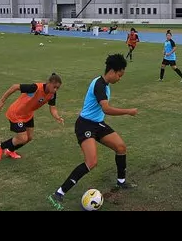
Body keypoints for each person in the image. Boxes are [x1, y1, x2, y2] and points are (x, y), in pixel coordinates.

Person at [49, 54, 138, 209]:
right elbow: (107, 109)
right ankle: (58, 193)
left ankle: (121, 182)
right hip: (85, 125)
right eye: (119, 75)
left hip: (97, 124)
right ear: (112, 71)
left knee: (121, 147)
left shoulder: (105, 85)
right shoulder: (99, 85)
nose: (120, 78)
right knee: (91, 162)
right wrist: (128, 111)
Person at [0, 73, 64, 161]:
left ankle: (9, 150)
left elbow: (52, 108)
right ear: (48, 83)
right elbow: (15, 86)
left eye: (58, 88)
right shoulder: (35, 88)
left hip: (28, 115)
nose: (55, 90)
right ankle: (0, 146)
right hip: (16, 113)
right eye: (54, 87)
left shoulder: (52, 94)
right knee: (23, 138)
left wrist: (57, 117)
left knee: (29, 137)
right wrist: (2, 100)